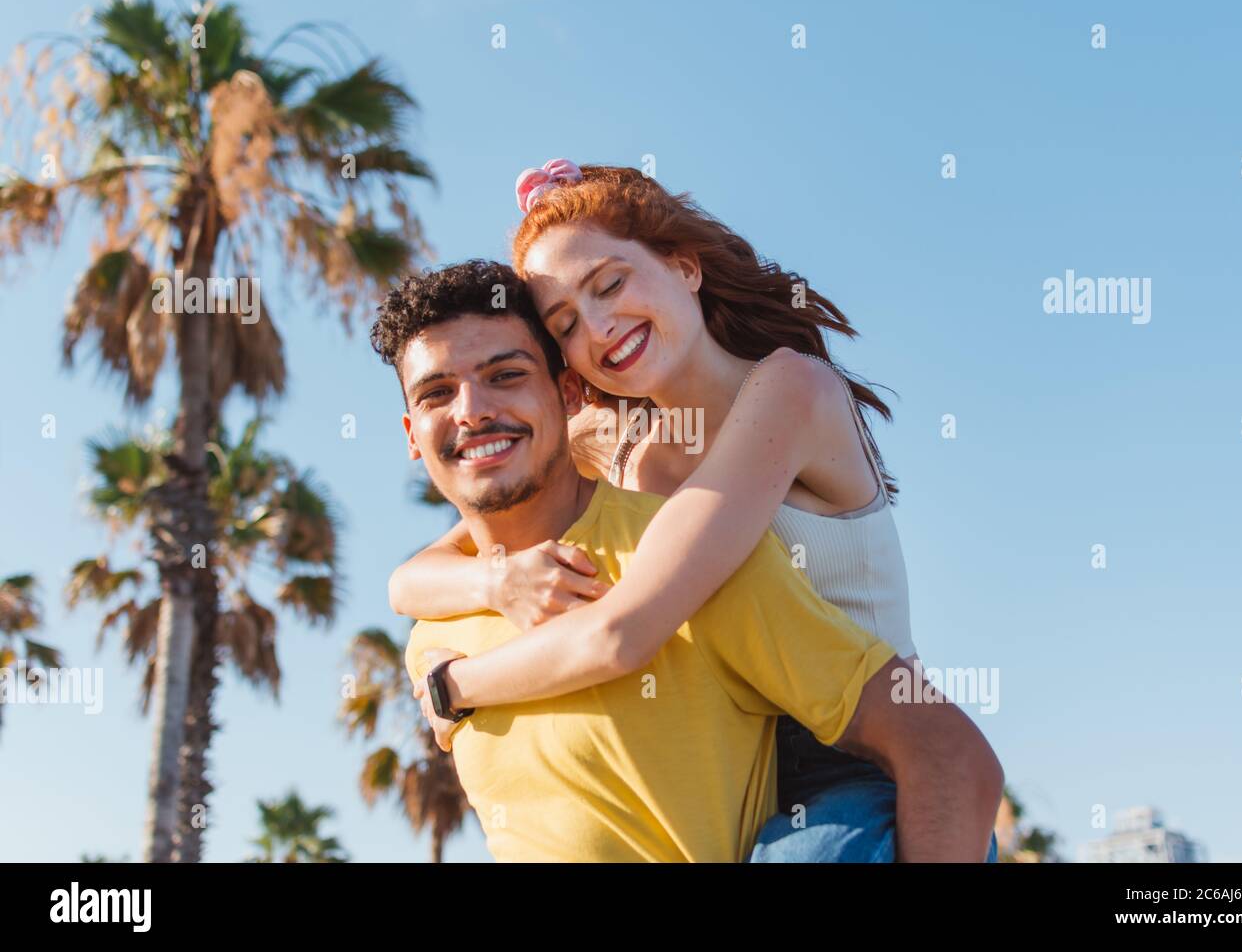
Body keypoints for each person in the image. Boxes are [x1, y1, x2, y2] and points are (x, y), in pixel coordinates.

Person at [389, 162, 941, 861]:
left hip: (859, 754)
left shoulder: (789, 391)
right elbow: (408, 581)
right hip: (743, 758)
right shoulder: (614, 446)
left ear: (685, 267)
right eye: (565, 323)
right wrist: (498, 583)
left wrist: (452, 687)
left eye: (610, 284)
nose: (599, 327)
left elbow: (623, 632)